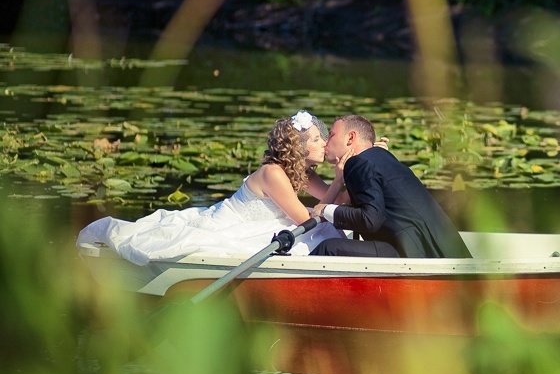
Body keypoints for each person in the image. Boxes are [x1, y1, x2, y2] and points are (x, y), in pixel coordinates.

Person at [77, 111, 347, 265]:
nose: (323, 143)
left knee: (330, 226)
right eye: (315, 138)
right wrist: (337, 181)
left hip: (263, 226)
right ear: (298, 146)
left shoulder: (302, 173)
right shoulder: (273, 173)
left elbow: (334, 202)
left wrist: (346, 175)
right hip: (228, 224)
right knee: (323, 229)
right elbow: (306, 219)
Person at [312, 114, 471, 258]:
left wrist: (325, 209)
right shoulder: (381, 157)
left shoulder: (357, 163)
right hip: (433, 247)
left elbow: (370, 219)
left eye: (331, 135)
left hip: (412, 252)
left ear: (350, 138)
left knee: (329, 247)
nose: (326, 142)